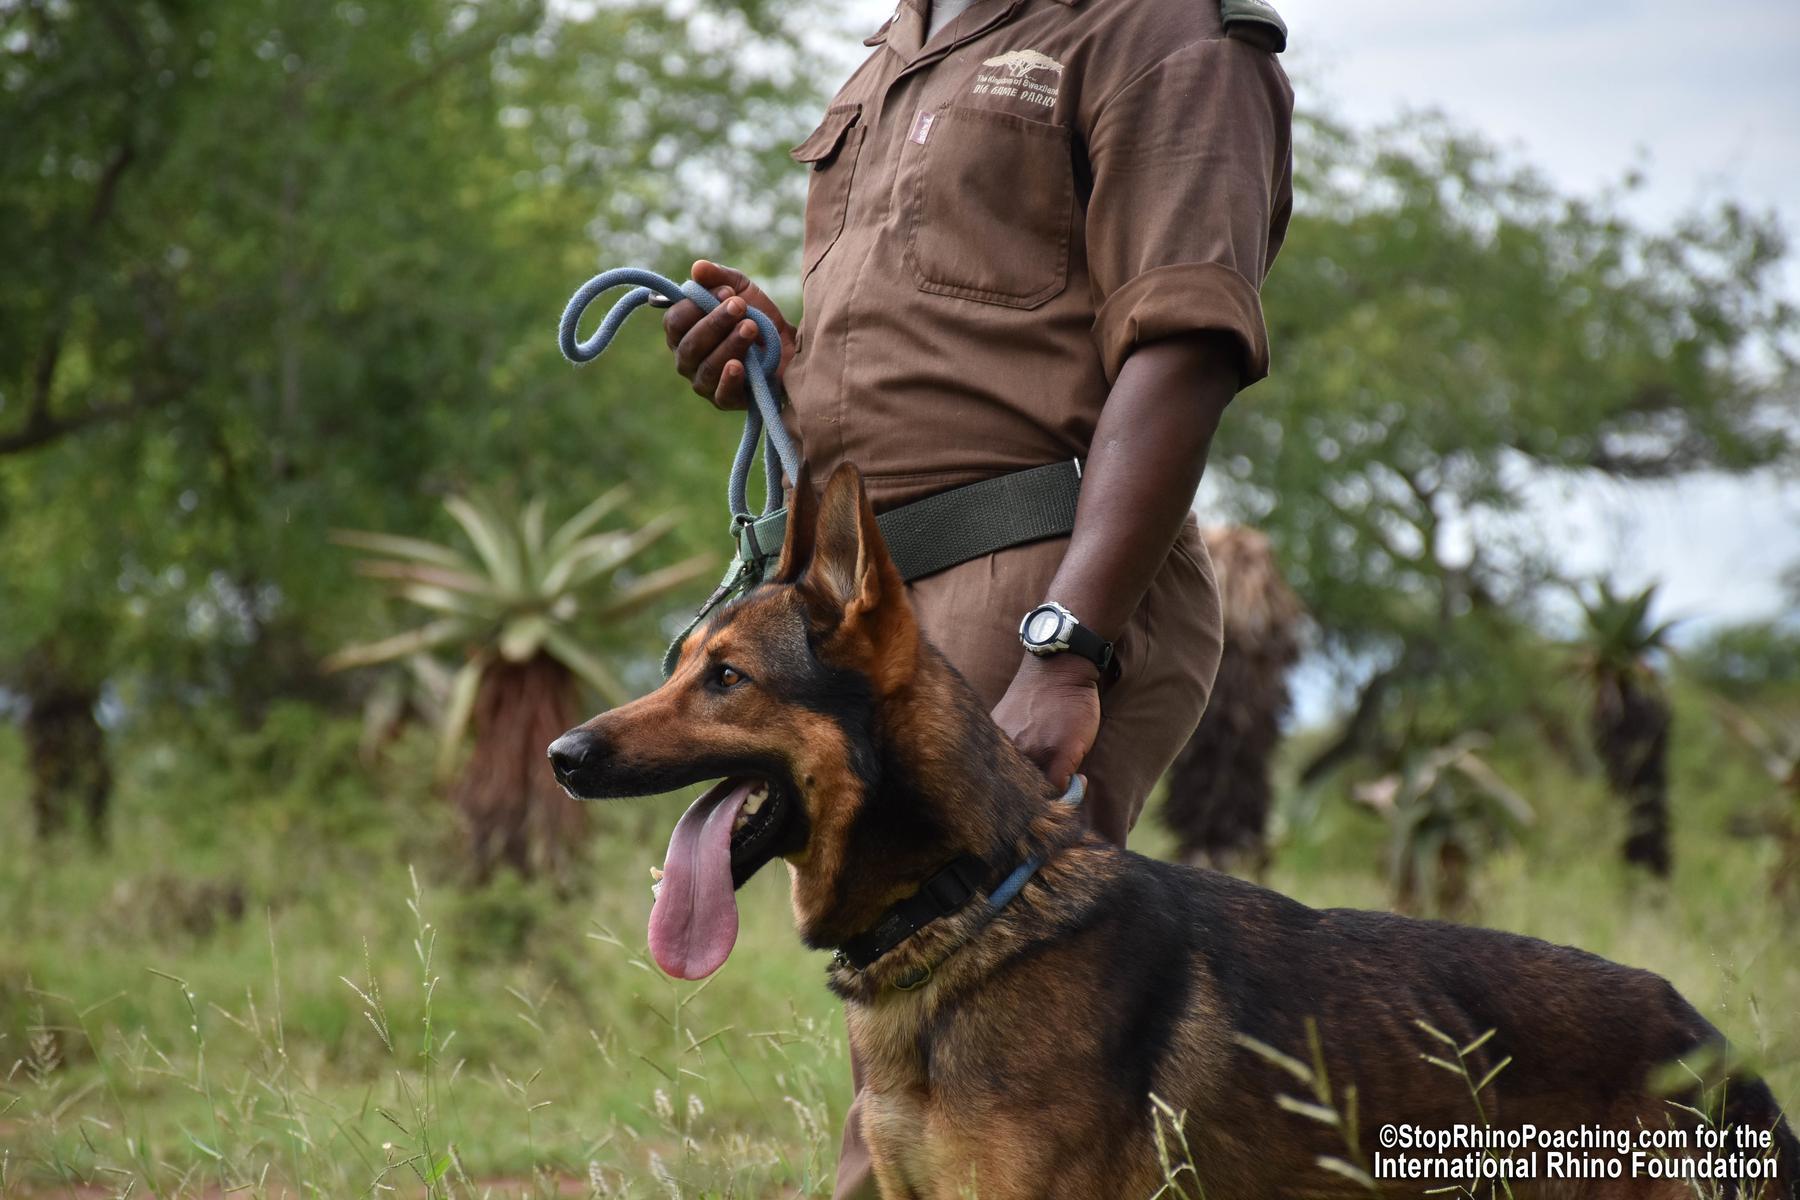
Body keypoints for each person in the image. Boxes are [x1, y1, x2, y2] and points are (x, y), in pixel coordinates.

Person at [661, 0, 1292, 1191]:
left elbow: (1184, 346)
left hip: (1037, 580)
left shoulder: (1160, 29)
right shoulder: (906, 38)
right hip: (878, 603)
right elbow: (951, 344)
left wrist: (1066, 646)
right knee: (912, 1053)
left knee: (986, 1058)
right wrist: (776, 370)